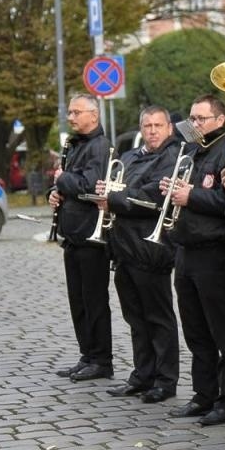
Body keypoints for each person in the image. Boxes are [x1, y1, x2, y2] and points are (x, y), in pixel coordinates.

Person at [164, 95, 225, 427]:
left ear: (220, 120)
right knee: (196, 331)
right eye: (192, 119)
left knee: (223, 332)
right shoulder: (195, 151)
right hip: (186, 250)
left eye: (201, 119)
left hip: (215, 253)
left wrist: (190, 195)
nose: (194, 125)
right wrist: (173, 189)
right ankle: (203, 394)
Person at [101, 106, 182, 403]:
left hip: (152, 249)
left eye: (158, 125)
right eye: (147, 125)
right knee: (135, 317)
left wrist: (113, 197)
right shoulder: (130, 156)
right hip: (124, 246)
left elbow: (149, 196)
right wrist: (109, 192)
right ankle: (142, 374)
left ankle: (165, 379)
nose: (152, 130)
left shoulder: (173, 158)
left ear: (169, 128)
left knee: (158, 318)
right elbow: (120, 188)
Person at [50, 94, 114, 381]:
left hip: (91, 237)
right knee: (78, 301)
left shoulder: (99, 146)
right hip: (73, 235)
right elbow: (71, 186)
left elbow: (89, 186)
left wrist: (62, 178)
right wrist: (56, 194)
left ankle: (101, 360)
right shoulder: (77, 145)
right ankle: (87, 354)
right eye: (70, 113)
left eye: (76, 112)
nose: (71, 117)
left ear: (94, 115)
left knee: (94, 301)